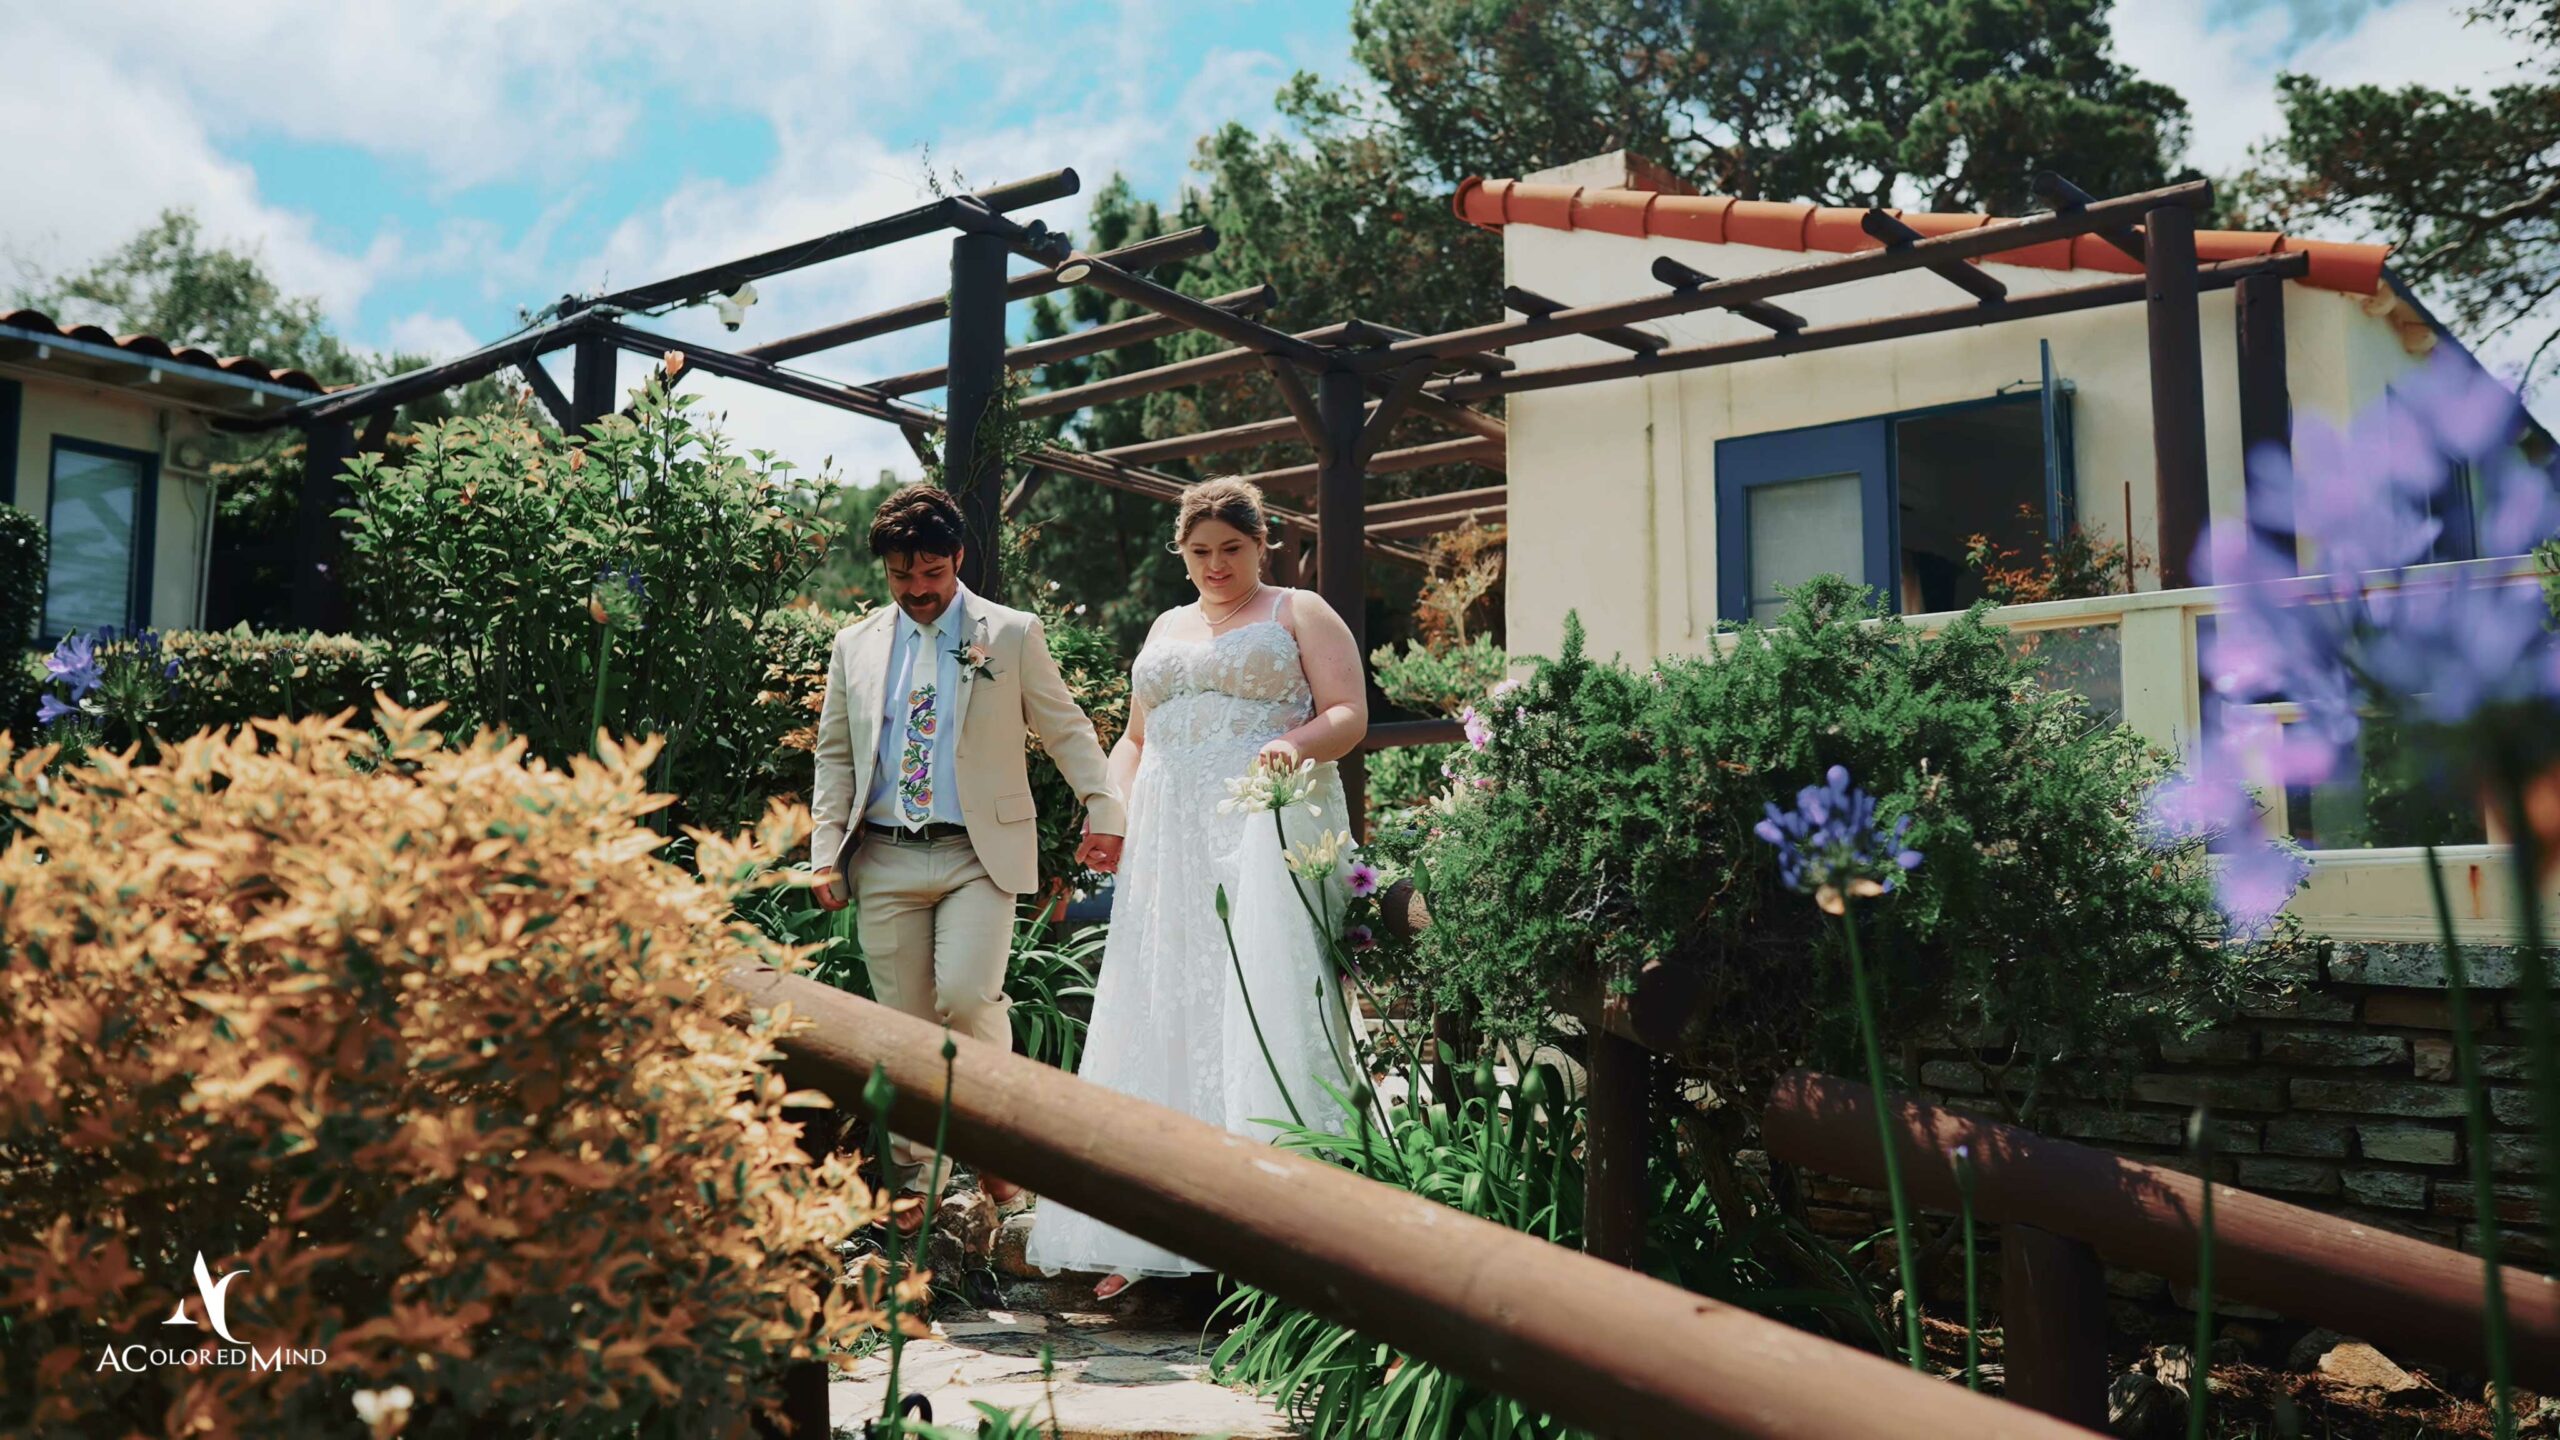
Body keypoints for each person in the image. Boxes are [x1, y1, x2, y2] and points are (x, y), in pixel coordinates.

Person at [1024, 477, 1370, 1298]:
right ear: (1181, 552)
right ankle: (1143, 1231)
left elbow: (1349, 713)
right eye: (1201, 551)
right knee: (1160, 1005)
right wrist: (1108, 812)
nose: (1217, 564)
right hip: (1165, 844)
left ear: (1262, 545)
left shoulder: (1299, 611)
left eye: (1233, 549)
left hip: (1256, 826)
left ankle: (1270, 1228)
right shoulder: (1166, 626)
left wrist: (1295, 742)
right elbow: (1136, 739)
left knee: (1250, 999)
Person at [809, 484, 1126, 1228]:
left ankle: (997, 1144)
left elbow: (1066, 727)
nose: (917, 591)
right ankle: (923, 1181)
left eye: (930, 575)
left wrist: (1103, 806)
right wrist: (826, 851)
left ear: (956, 558)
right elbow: (834, 757)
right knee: (906, 1027)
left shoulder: (1009, 633)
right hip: (882, 857)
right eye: (900, 577)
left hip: (976, 855)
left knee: (966, 999)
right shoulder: (852, 645)